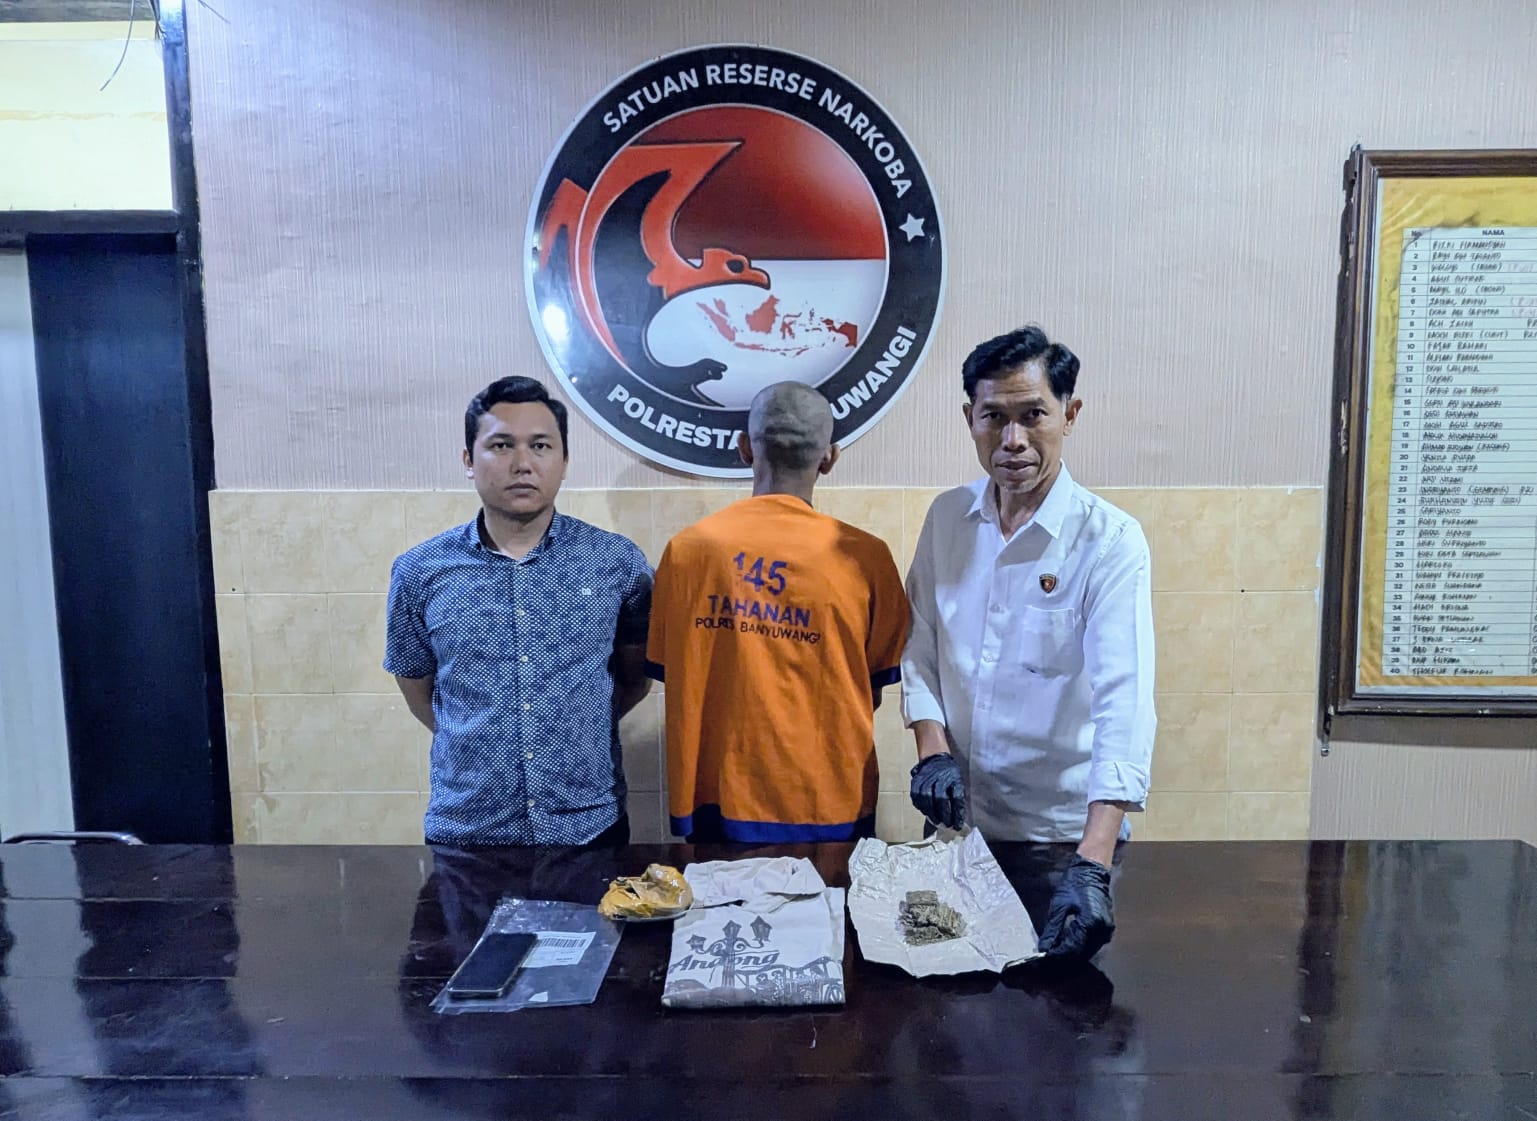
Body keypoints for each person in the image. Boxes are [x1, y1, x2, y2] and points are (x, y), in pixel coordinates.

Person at [903, 325, 1155, 960]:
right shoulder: (946, 520)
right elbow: (919, 644)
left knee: (1060, 1010)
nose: (1012, 440)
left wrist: (1092, 863)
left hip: (1064, 840)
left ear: (1070, 415)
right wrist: (932, 751)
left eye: (1033, 416)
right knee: (955, 1004)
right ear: (969, 418)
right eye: (994, 417)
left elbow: (1124, 702)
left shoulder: (1109, 540)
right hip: (960, 831)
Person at [385, 376, 652, 845]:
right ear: (469, 461)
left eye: (541, 446)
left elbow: (633, 680)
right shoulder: (420, 571)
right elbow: (419, 690)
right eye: (501, 445)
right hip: (467, 831)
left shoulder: (617, 564)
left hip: (587, 828)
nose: (523, 464)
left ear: (564, 461)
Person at [647, 381, 908, 842]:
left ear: (745, 449)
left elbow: (676, 672)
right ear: (829, 457)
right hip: (829, 802)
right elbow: (872, 685)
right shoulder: (867, 557)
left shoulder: (686, 552)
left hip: (716, 802)